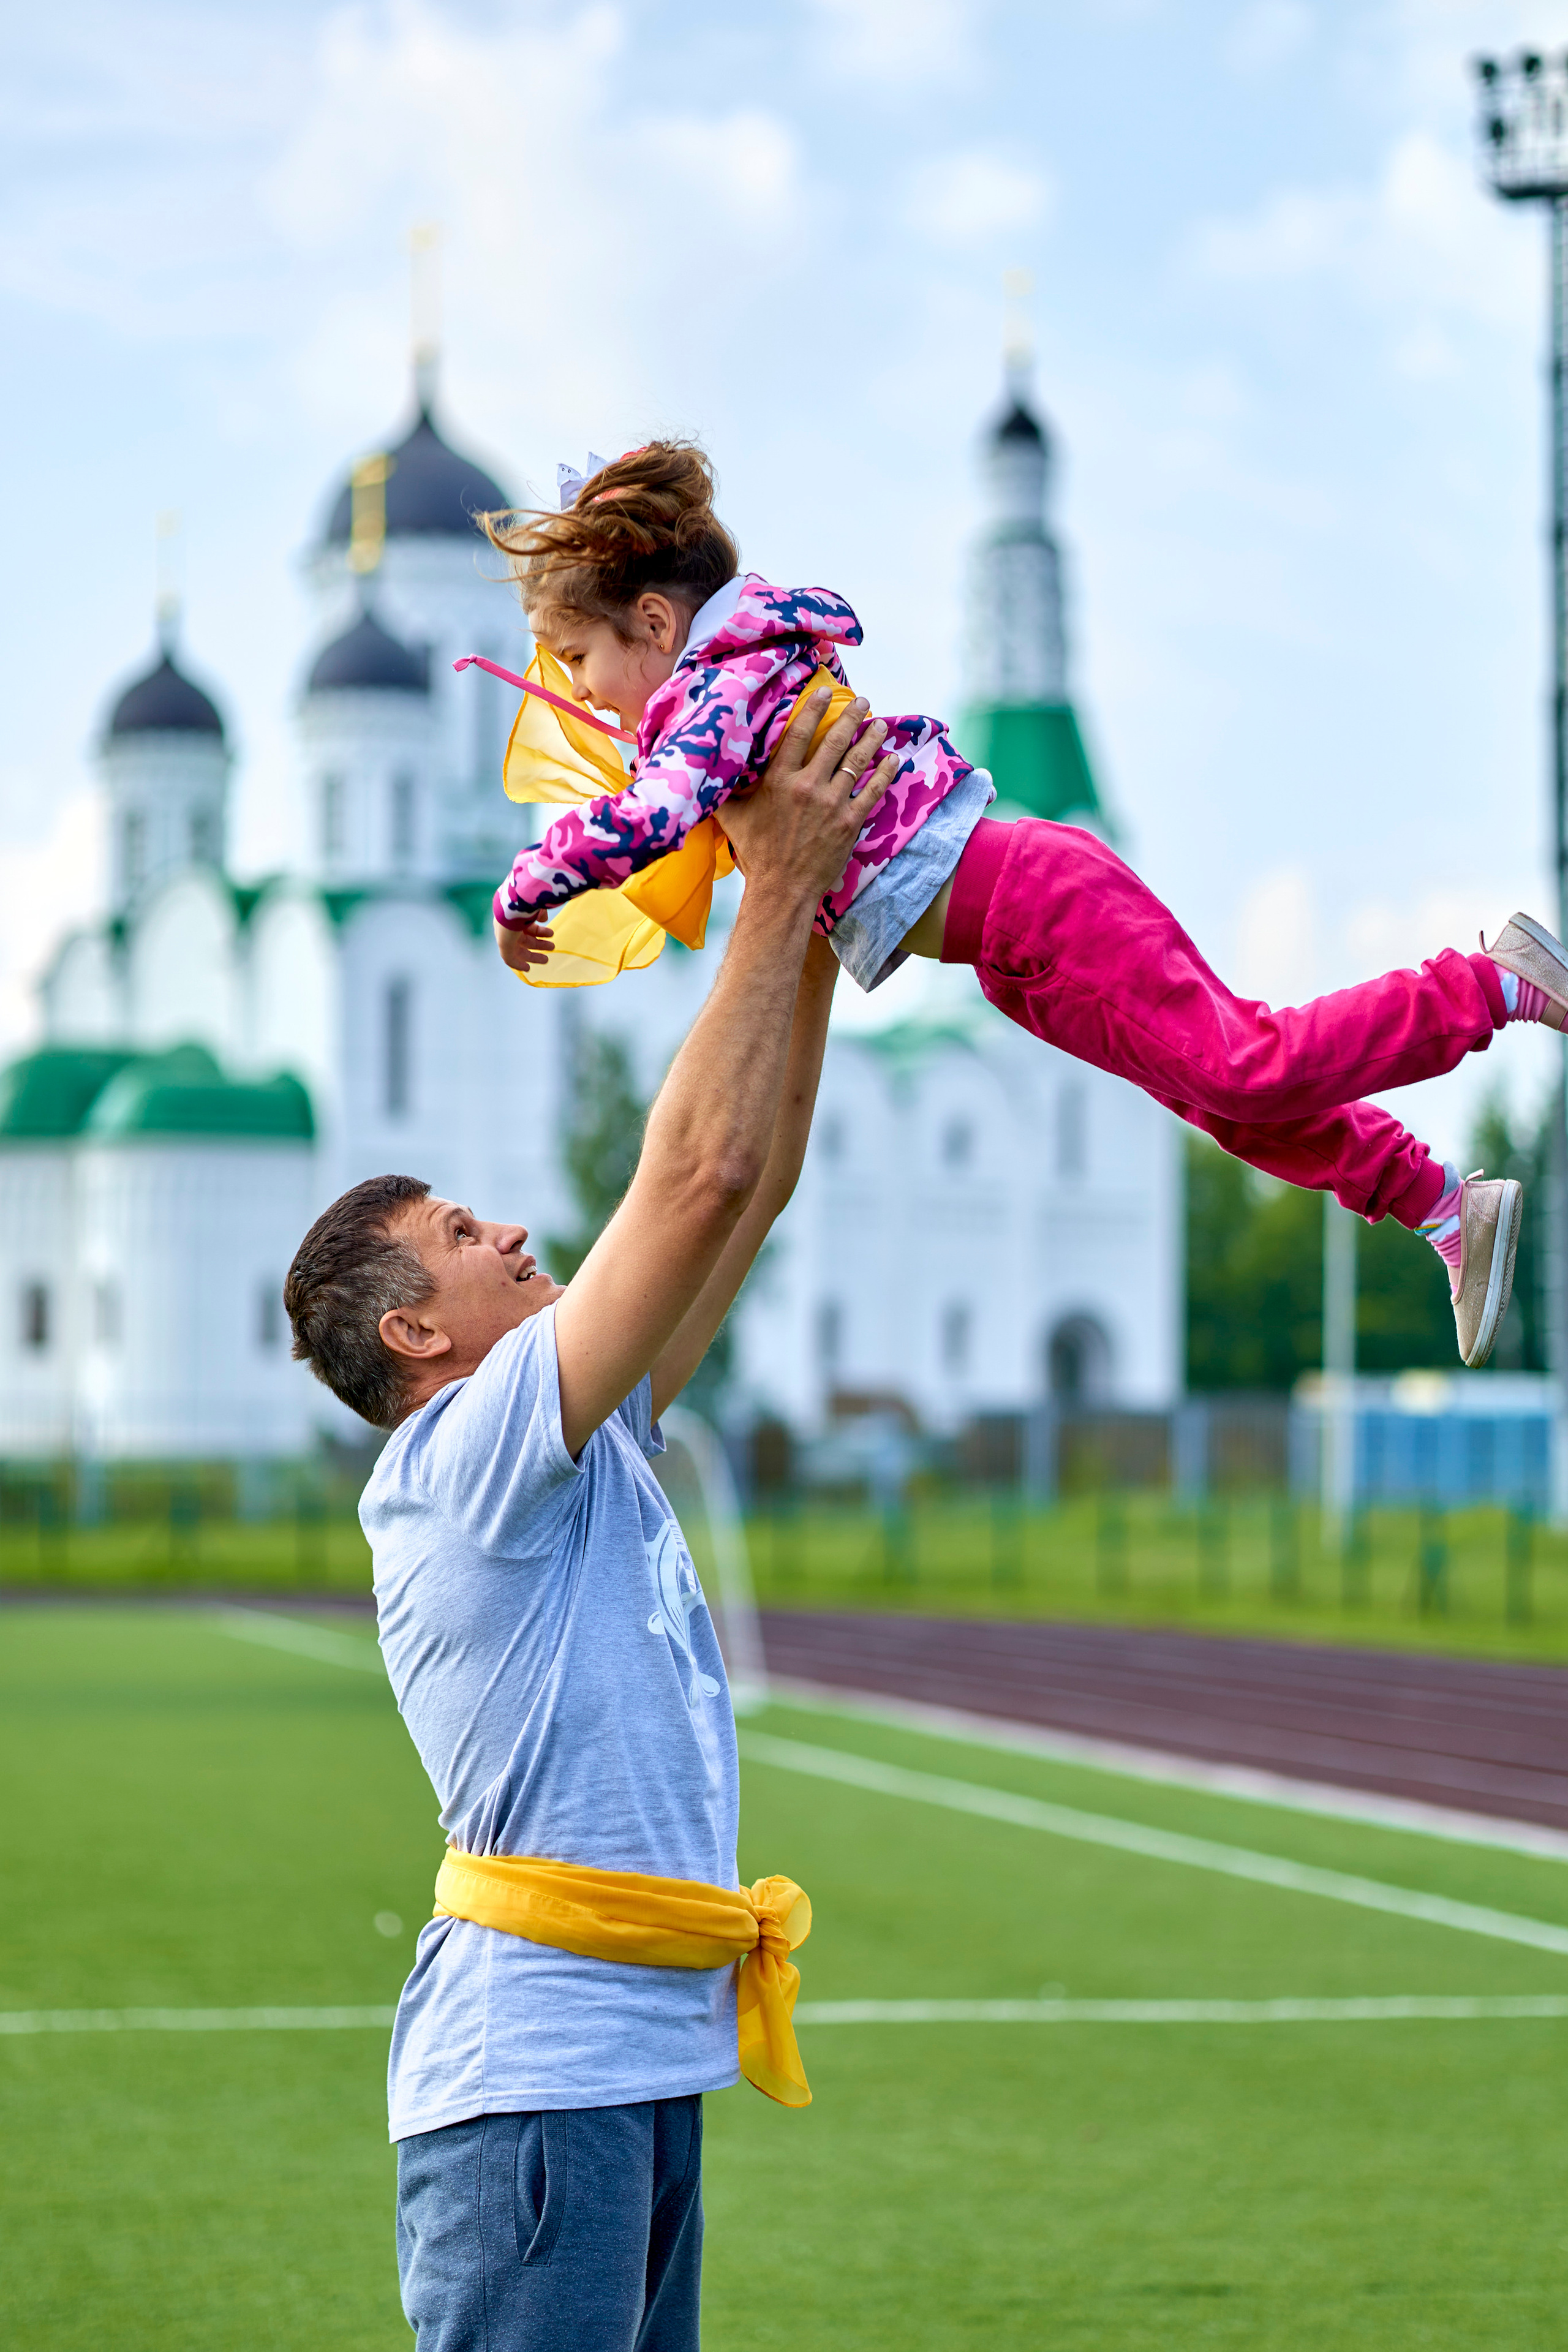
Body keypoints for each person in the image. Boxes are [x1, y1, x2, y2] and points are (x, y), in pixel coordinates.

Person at [282, 692, 898, 2352]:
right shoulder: (468, 1452)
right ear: (417, 1333)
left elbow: (745, 1186)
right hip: (537, 2086)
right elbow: (685, 1180)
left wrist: (824, 918)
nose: (514, 1229)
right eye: (466, 1233)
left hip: (626, 2063)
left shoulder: (566, 1427)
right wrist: (772, 882)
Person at [473, 441, 1568, 1370]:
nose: (576, 692)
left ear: (657, 624)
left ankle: (1489, 983)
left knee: (1247, 1064)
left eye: (577, 658)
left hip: (1034, 900)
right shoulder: (725, 676)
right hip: (1011, 955)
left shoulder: (715, 691)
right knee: (1221, 1101)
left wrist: (533, 886)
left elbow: (657, 813)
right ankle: (1437, 1205)